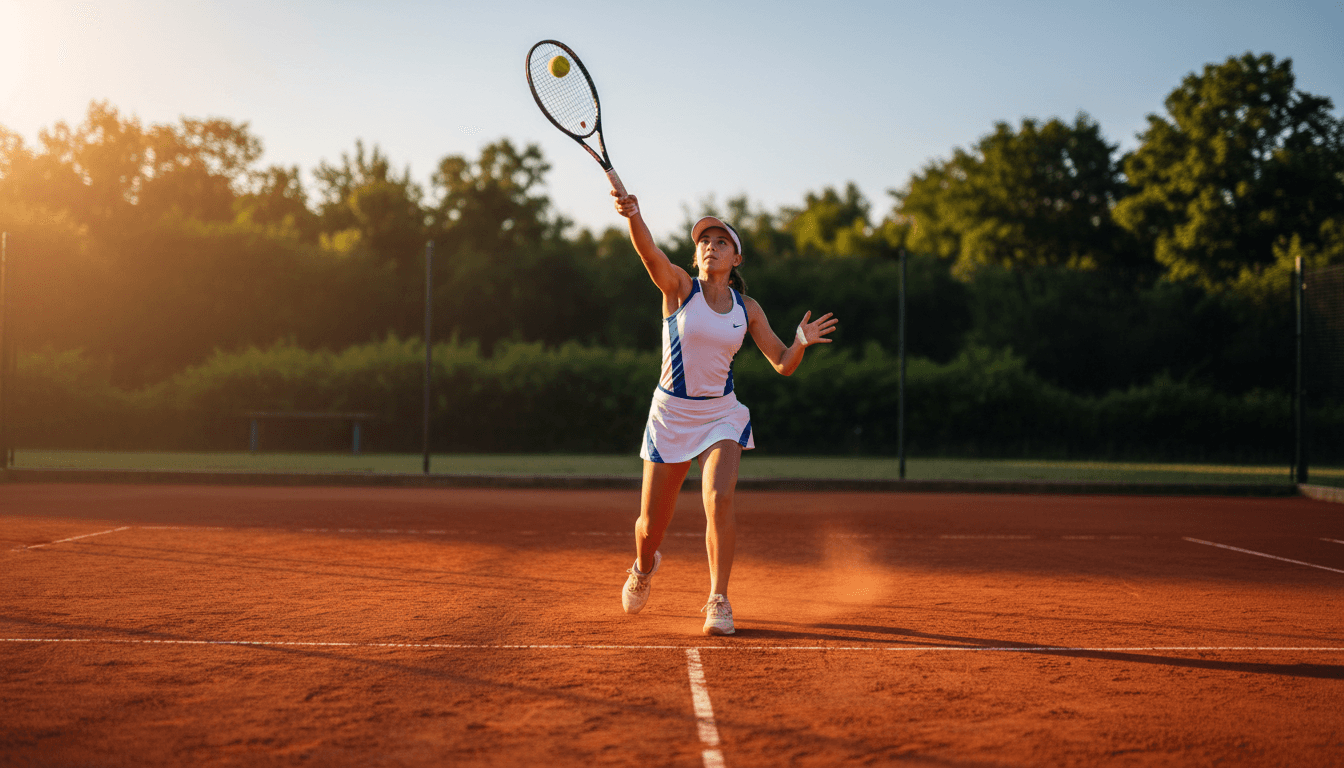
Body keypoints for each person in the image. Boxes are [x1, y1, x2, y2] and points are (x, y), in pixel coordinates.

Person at [612, 189, 837, 635]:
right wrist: (634, 214)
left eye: (720, 242)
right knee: (650, 527)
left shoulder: (746, 309)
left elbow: (782, 364)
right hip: (671, 416)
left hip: (722, 415)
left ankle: (719, 599)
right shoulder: (678, 287)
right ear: (696, 256)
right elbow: (647, 252)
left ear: (737, 258)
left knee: (718, 498)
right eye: (703, 242)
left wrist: (801, 344)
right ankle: (642, 567)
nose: (709, 247)